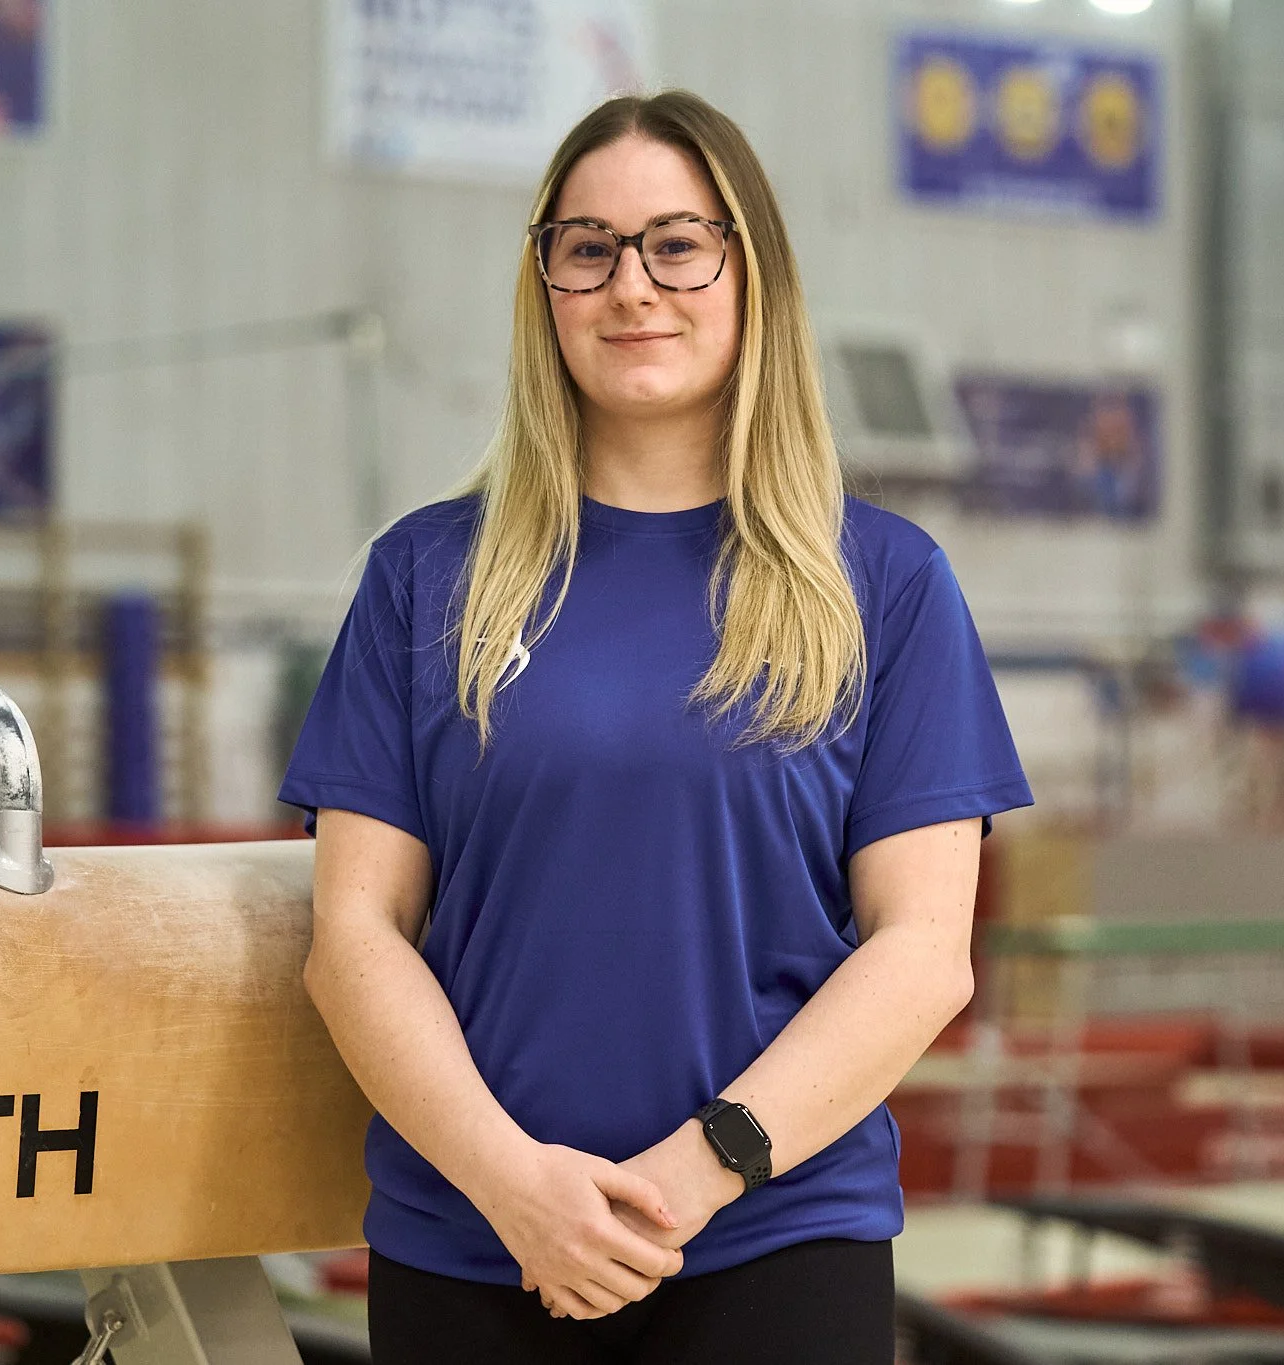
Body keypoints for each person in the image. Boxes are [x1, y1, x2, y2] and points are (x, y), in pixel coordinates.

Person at [281, 89, 1031, 1365]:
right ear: (545, 286)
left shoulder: (884, 585)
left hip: (772, 1242)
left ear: (749, 273)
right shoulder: (426, 578)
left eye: (676, 243)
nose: (632, 286)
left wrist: (697, 1175)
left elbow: (921, 951)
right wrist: (514, 1187)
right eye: (587, 248)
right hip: (473, 1242)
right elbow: (353, 937)